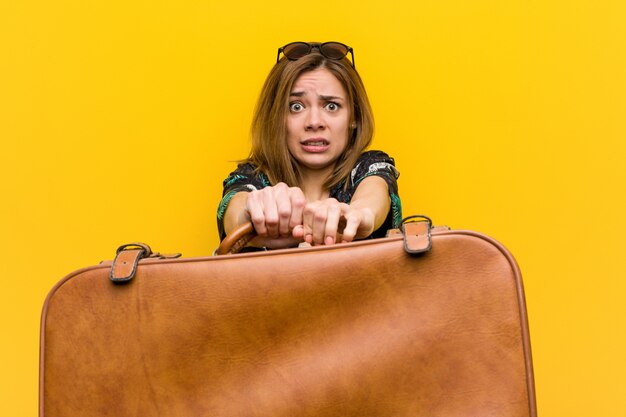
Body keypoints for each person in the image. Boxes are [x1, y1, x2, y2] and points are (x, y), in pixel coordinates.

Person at [217, 41, 402, 249]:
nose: (314, 122)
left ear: (354, 117)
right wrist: (251, 214)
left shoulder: (369, 167)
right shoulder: (252, 177)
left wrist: (361, 214)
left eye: (331, 106)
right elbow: (235, 209)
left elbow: (374, 193)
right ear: (277, 117)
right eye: (296, 107)